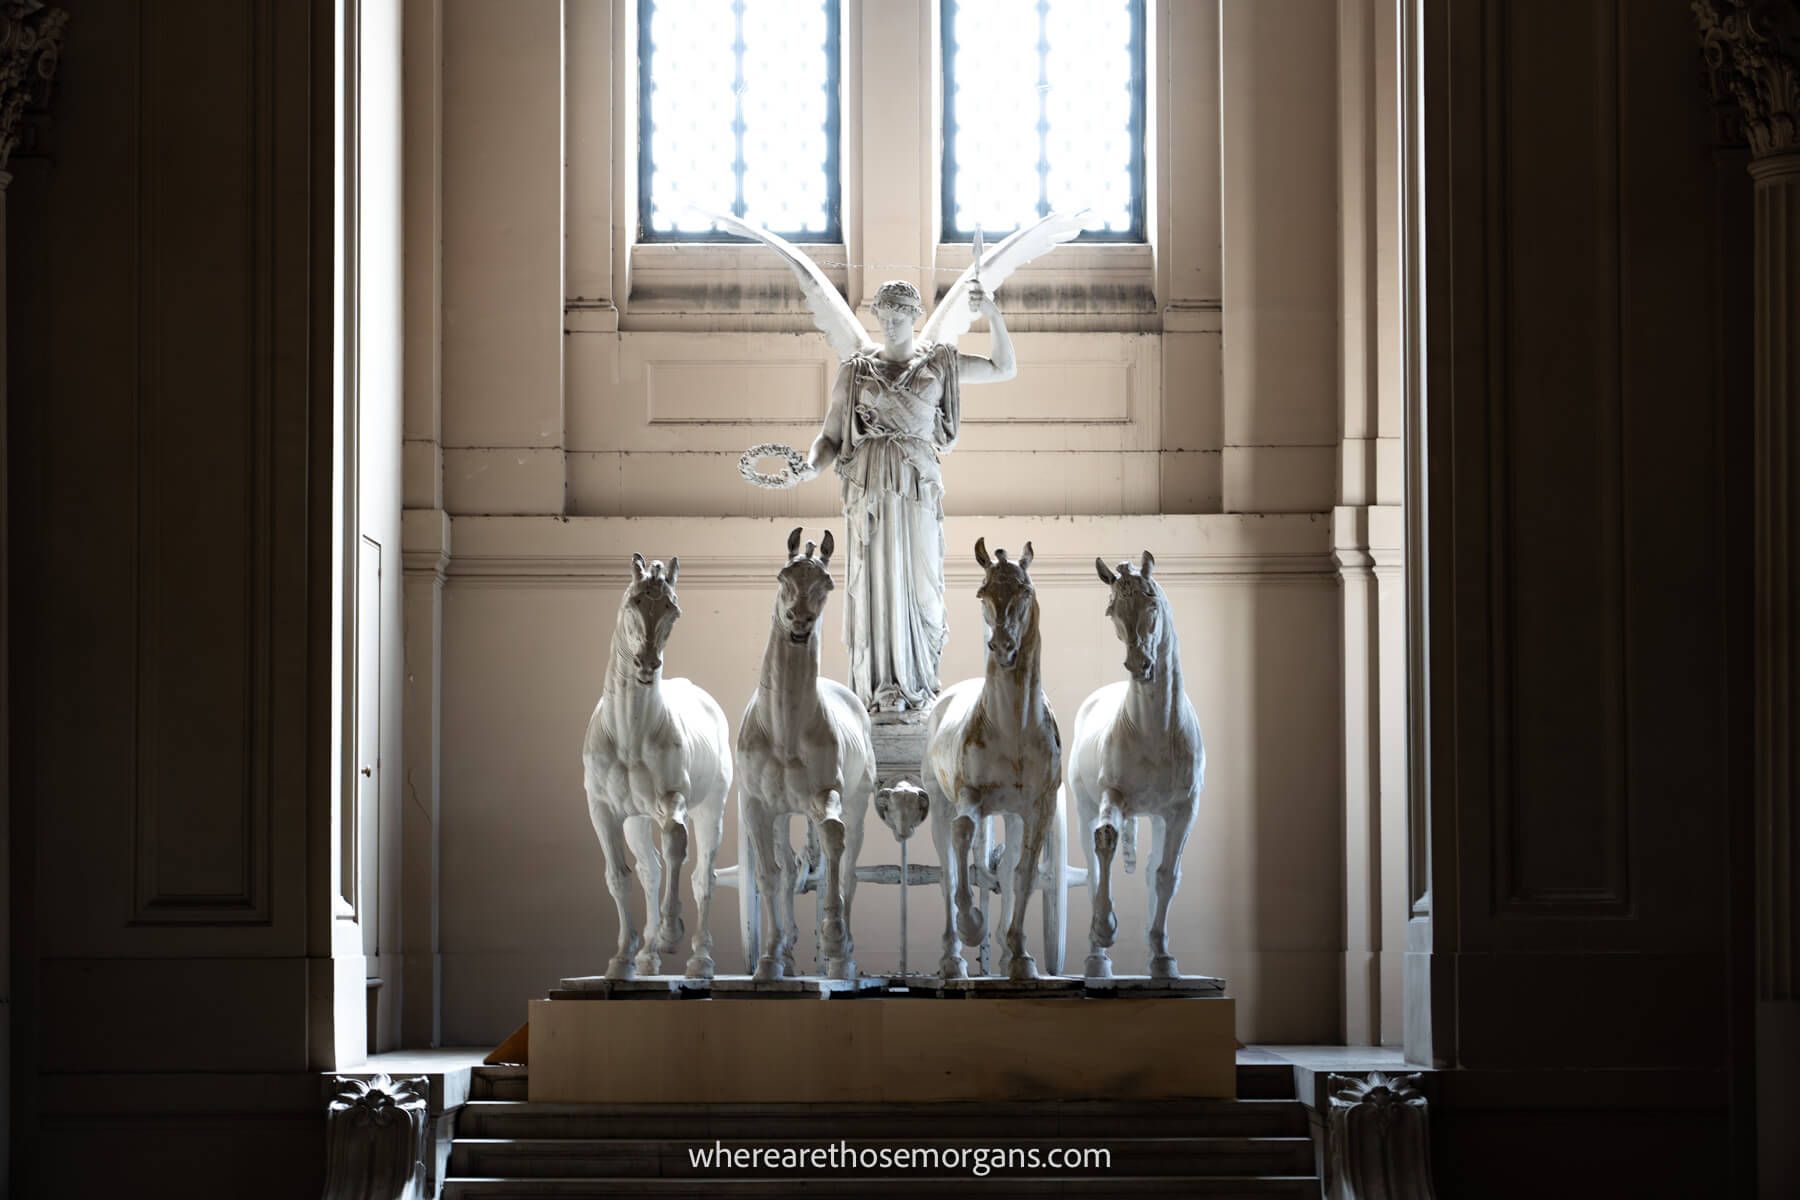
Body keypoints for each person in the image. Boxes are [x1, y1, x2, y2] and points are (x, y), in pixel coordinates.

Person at [803, 278, 1017, 713]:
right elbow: (829, 437)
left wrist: (992, 315)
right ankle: (880, 690)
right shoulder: (856, 370)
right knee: (877, 587)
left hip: (917, 489)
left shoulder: (940, 364)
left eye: (901, 317)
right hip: (872, 493)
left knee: (922, 588)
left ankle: (919, 686)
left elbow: (1003, 368)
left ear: (915, 318)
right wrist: (807, 467)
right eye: (886, 318)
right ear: (878, 317)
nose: (893, 325)